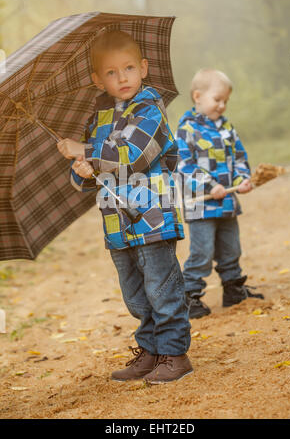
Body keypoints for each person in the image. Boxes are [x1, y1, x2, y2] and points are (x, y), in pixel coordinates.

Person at [57, 30, 193, 384]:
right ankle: (150, 352)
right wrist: (83, 169)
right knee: (135, 294)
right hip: (117, 223)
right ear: (97, 79)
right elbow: (88, 179)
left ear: (144, 68)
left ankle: (174, 353)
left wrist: (86, 152)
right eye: (112, 72)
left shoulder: (150, 108)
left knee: (161, 288)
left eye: (129, 68)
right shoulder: (98, 118)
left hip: (151, 217)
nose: (122, 78)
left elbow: (133, 156)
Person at [175, 68, 264, 319]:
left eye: (226, 101)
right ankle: (189, 296)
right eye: (217, 100)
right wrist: (208, 185)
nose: (222, 105)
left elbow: (239, 159)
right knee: (201, 252)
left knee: (231, 248)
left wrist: (242, 180)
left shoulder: (227, 129)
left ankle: (233, 288)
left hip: (227, 203)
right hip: (202, 206)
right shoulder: (186, 130)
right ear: (197, 96)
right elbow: (183, 166)